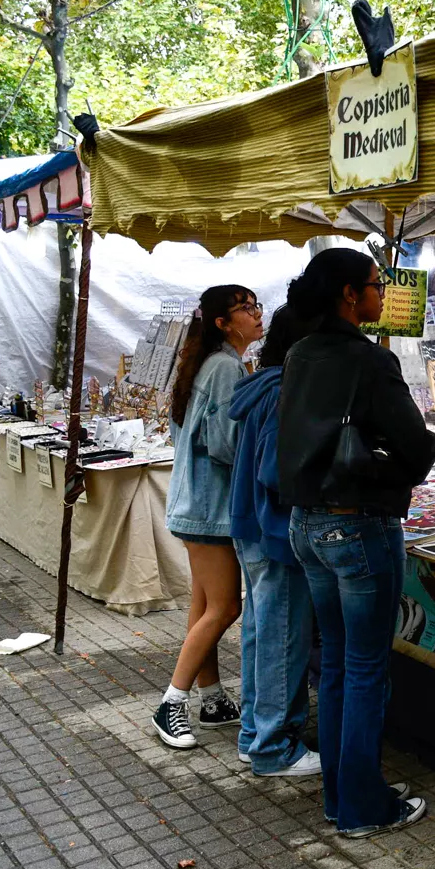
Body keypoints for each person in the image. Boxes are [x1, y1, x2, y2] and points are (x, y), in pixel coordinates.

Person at [278, 249, 435, 837]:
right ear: (350, 295)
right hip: (357, 527)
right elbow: (416, 445)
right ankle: (362, 808)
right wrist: (416, 455)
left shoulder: (298, 355)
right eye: (376, 285)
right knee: (365, 668)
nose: (381, 293)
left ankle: (343, 794)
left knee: (343, 666)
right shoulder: (369, 361)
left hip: (308, 526)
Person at [154, 285, 265, 750]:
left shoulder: (209, 363)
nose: (257, 314)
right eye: (246, 309)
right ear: (223, 322)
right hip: (209, 508)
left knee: (203, 607)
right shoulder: (225, 367)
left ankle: (211, 696)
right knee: (226, 607)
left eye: (256, 305)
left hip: (195, 503)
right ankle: (170, 704)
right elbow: (225, 444)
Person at [228, 304, 319, 776]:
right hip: (275, 530)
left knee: (262, 632)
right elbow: (275, 471)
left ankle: (253, 735)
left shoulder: (261, 385)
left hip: (250, 526)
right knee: (281, 637)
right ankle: (273, 747)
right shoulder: (286, 392)